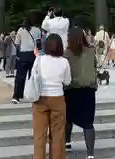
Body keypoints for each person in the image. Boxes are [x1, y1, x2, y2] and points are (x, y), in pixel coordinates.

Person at [32, 33, 71, 159]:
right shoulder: (64, 62)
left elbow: (33, 77)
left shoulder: (39, 59)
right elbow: (67, 81)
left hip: (40, 98)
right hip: (58, 98)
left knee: (39, 136)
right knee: (58, 134)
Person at [64, 27, 97, 159]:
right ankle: (90, 154)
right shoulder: (91, 51)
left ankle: (66, 141)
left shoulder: (66, 53)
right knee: (88, 123)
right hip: (89, 90)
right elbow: (94, 66)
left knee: (68, 118)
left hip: (71, 89)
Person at [12, 15, 42, 104]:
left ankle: (16, 96)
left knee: (20, 76)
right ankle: (35, 95)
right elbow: (39, 44)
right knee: (34, 76)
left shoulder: (21, 30)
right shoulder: (37, 30)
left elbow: (17, 43)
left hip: (23, 54)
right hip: (34, 54)